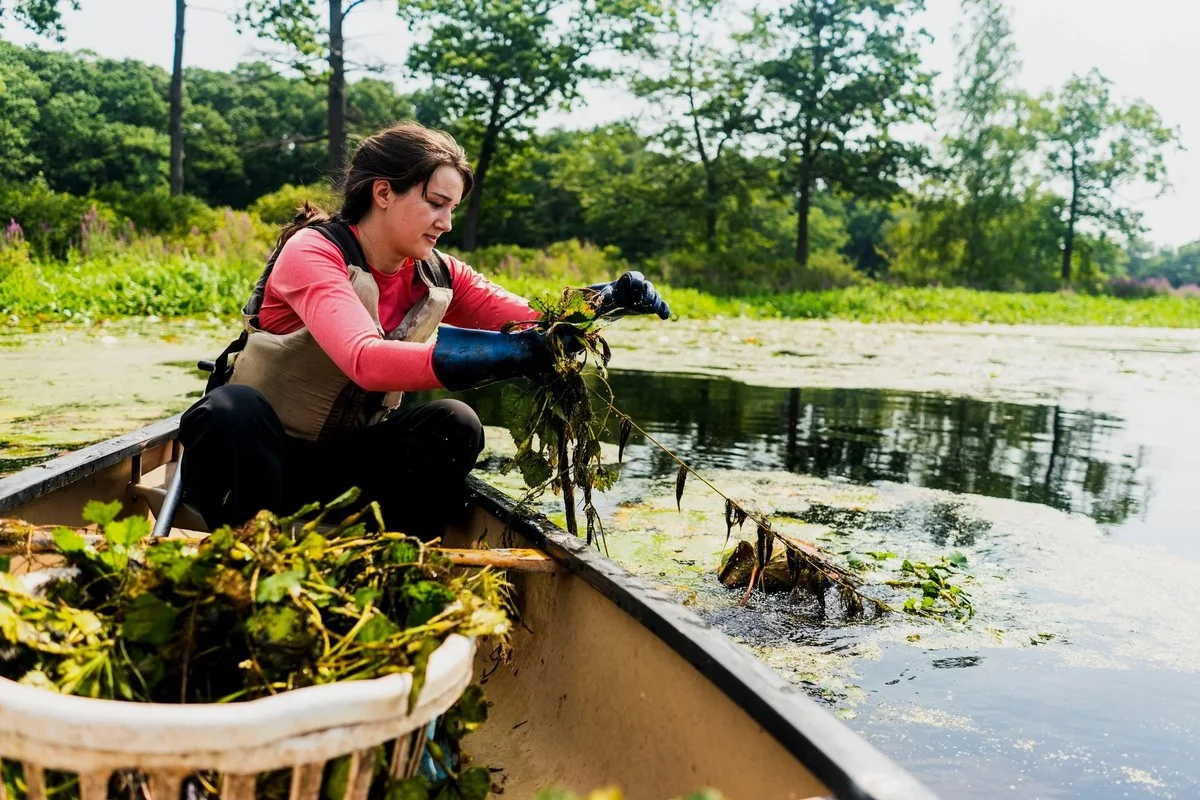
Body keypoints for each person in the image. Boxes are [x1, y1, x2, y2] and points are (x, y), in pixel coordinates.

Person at [179, 121, 669, 539]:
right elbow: (366, 361)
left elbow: (535, 318)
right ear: (384, 192)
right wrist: (514, 354)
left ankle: (398, 561)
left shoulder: (439, 273)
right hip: (253, 462)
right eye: (437, 203)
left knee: (454, 422)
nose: (447, 222)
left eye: (452, 208)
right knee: (232, 410)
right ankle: (252, 549)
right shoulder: (314, 252)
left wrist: (608, 298)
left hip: (340, 471)